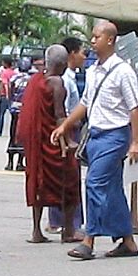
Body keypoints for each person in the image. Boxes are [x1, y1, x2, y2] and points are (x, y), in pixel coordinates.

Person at [51, 21, 138, 260]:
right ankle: (128, 241)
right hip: (95, 135)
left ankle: (89, 240)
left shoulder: (123, 71)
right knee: (112, 189)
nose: (92, 41)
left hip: (115, 136)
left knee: (94, 183)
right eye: (92, 37)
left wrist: (135, 142)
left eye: (96, 37)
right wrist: (65, 126)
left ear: (110, 40)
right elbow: (85, 104)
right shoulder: (92, 72)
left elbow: (135, 108)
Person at [18, 45, 82, 244]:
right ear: (62, 65)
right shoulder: (57, 83)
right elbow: (59, 115)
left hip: (37, 141)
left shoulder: (35, 80)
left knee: (37, 180)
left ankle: (36, 231)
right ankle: (68, 230)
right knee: (71, 182)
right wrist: (69, 141)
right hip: (54, 141)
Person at [47, 37, 86, 235]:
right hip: (67, 130)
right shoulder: (64, 80)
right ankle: (69, 224)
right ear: (71, 54)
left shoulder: (70, 78)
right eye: (82, 52)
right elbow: (61, 113)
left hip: (69, 128)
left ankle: (61, 221)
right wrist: (68, 139)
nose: (84, 56)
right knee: (68, 178)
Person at [6, 57, 32, 171]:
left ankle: (10, 163)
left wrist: (11, 103)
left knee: (12, 134)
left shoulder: (13, 78)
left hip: (14, 109)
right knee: (22, 136)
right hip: (25, 111)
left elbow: (10, 93)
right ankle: (20, 163)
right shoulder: (31, 80)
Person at [0, 57, 15, 137]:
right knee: (13, 115)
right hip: (12, 96)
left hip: (4, 95)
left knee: (1, 114)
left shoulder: (4, 73)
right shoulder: (13, 73)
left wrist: (6, 95)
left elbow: (6, 84)